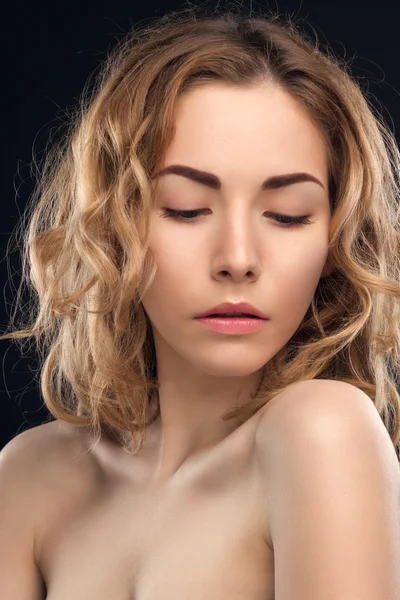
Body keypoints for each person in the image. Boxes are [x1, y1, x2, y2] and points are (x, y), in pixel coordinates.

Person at [1, 5, 399, 599]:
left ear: (335, 240)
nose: (238, 257)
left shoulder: (320, 433)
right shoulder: (29, 476)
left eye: (287, 216)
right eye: (186, 208)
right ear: (115, 225)